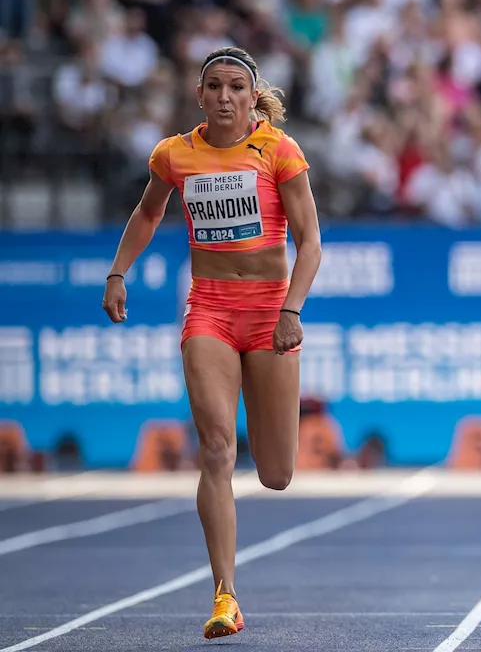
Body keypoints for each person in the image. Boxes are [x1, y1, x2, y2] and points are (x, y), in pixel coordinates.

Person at [101, 46, 322, 640]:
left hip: (270, 312)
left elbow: (310, 241)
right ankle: (226, 594)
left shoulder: (278, 150)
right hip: (211, 312)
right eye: (215, 86)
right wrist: (119, 271)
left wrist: (292, 308)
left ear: (254, 98)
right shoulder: (175, 154)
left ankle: (233, 573)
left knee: (276, 472)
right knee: (217, 447)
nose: (225, 96)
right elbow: (147, 215)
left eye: (237, 88)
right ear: (199, 96)